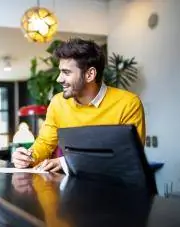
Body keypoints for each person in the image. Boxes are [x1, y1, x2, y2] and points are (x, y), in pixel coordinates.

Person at [12, 38, 145, 172]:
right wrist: (28, 157)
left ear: (90, 74)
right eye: (60, 71)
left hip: (116, 188)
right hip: (72, 187)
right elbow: (45, 143)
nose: (59, 79)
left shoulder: (128, 103)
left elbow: (129, 158)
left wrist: (66, 162)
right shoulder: (58, 103)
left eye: (66, 72)